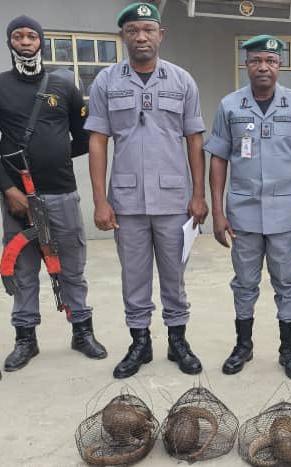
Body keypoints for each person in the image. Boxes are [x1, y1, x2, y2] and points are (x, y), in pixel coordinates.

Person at [85, 2, 207, 378]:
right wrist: (100, 200)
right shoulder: (106, 81)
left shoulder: (182, 81)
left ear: (160, 35)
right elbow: (98, 142)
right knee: (134, 278)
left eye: (148, 29)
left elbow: (195, 140)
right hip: (127, 201)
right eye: (133, 30)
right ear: (123, 35)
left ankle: (178, 341)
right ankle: (140, 343)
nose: (141, 36)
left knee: (174, 277)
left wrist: (198, 195)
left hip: (174, 200)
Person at [0, 15, 106, 372]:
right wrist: (8, 189)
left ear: (41, 42)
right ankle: (25, 339)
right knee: (22, 268)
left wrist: (53, 155)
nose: (25, 41)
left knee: (72, 267)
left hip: (62, 193)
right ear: (9, 43)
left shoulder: (64, 84)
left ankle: (82, 331)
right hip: (17, 198)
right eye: (17, 36)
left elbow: (83, 138)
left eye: (31, 36)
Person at [205, 34, 291, 380]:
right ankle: (244, 345)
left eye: (270, 61)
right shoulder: (229, 106)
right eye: (256, 60)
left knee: (287, 283)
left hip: (287, 215)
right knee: (244, 283)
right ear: (246, 65)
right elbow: (218, 160)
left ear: (280, 65)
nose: (263, 67)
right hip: (243, 213)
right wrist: (218, 211)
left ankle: (288, 350)